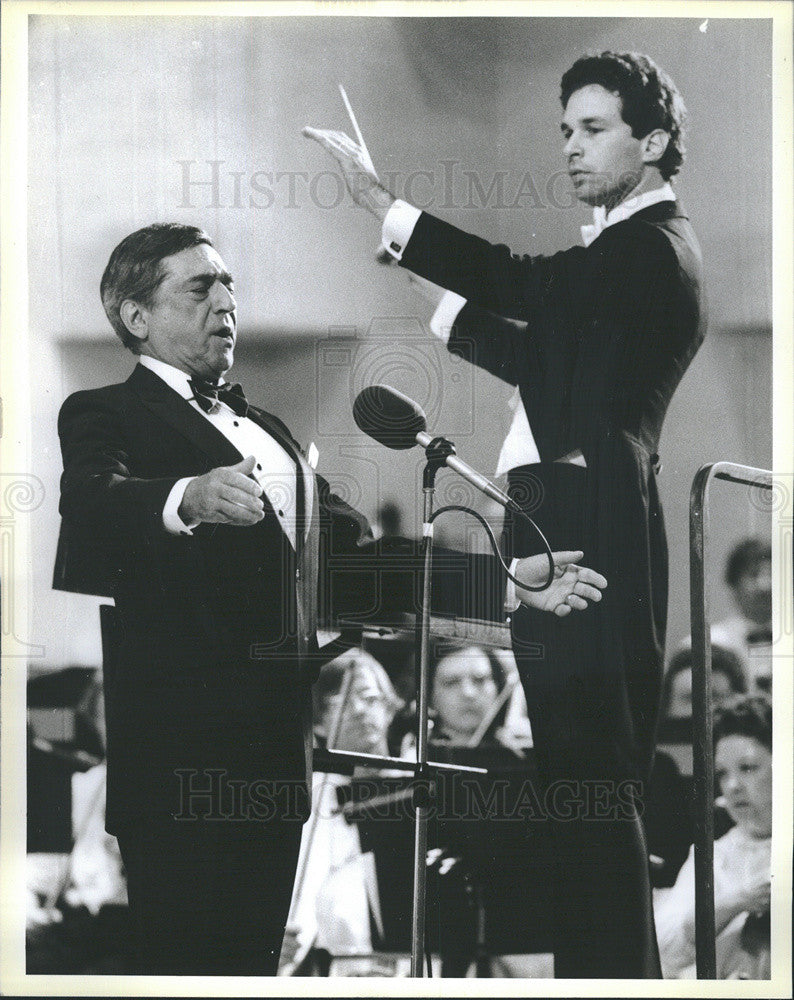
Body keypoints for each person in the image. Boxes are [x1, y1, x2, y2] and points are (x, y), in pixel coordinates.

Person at [53, 223, 605, 974]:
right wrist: (189, 495)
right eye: (199, 286)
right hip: (183, 772)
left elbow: (363, 564)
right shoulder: (103, 413)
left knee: (252, 975)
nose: (226, 302)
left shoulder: (269, 430)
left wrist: (511, 584)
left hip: (274, 771)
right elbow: (92, 498)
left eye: (230, 285)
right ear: (136, 317)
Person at [304, 50, 706, 977]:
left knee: (594, 804)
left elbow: (522, 283)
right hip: (563, 530)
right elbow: (534, 355)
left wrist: (379, 201)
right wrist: (422, 287)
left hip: (585, 536)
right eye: (565, 130)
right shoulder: (626, 257)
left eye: (594, 128)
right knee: (582, 802)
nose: (570, 147)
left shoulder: (647, 248)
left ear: (652, 142)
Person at [654, 694, 772, 979]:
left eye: (747, 768)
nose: (731, 786)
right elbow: (664, 950)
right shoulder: (711, 856)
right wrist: (737, 901)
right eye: (722, 773)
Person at [712, 538, 773, 691]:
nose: (765, 586)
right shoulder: (711, 643)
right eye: (753, 575)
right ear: (734, 584)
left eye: (772, 574)